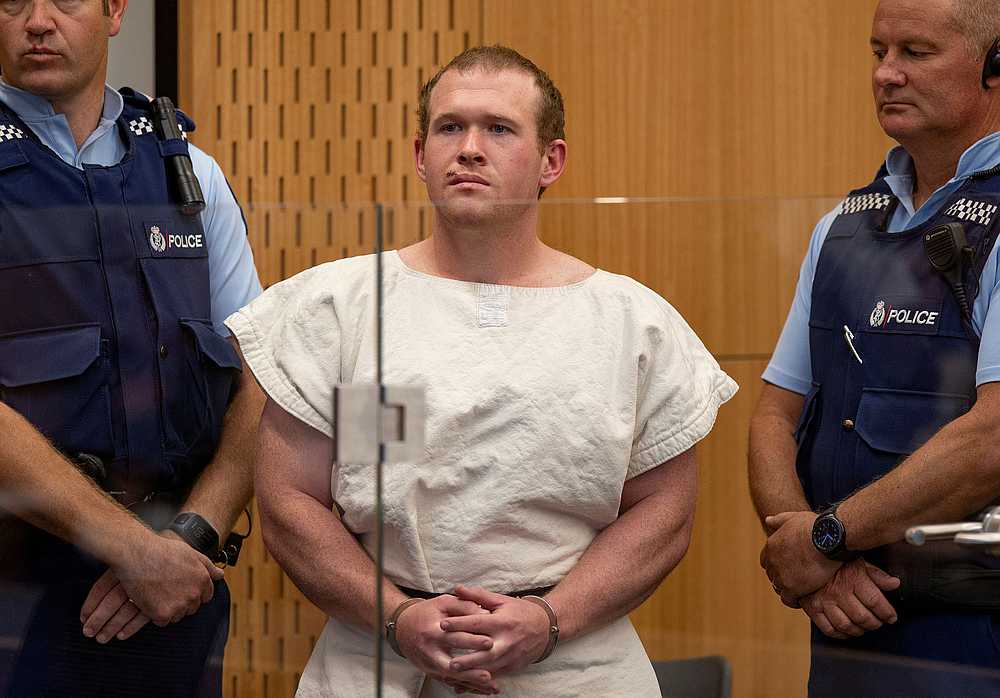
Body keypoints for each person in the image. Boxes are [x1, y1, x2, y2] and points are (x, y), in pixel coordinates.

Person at [228, 45, 737, 696]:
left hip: (573, 665)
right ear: (420, 155)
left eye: (498, 128)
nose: (469, 149)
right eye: (450, 127)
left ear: (551, 160)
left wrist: (549, 619)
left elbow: (664, 514)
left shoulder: (632, 323)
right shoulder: (342, 309)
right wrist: (398, 617)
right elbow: (289, 503)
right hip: (376, 657)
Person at [0, 1, 263, 696]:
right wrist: (130, 548)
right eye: (12, 0)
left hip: (176, 587)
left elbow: (261, 382)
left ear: (115, 10)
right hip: (17, 580)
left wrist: (190, 537)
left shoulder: (190, 174)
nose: (37, 20)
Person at [749, 0, 1000, 695]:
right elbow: (774, 415)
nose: (887, 73)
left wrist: (826, 538)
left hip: (975, 631)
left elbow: (992, 438)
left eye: (916, 52)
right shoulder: (841, 226)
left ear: (994, 66)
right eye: (878, 51)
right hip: (844, 619)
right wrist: (809, 561)